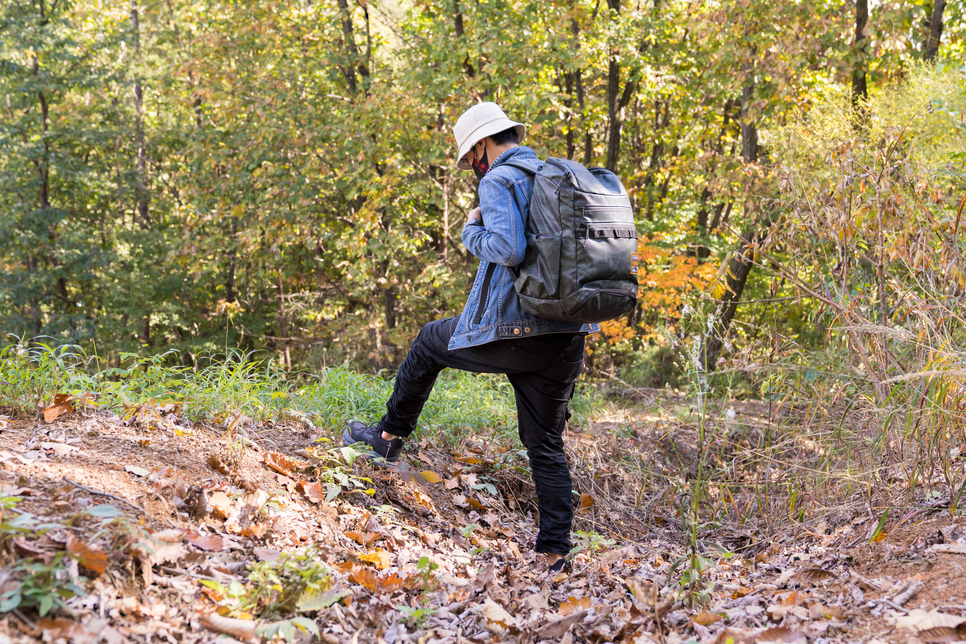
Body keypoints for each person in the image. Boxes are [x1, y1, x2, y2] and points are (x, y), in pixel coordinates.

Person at [344, 102, 597, 572]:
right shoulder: (556, 177)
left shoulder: (498, 180)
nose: (470, 167)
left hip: (519, 331)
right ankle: (554, 551)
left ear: (482, 145)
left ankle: (387, 436)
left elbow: (507, 248)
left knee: (428, 342)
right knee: (544, 443)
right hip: (568, 332)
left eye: (470, 157)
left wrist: (471, 228)